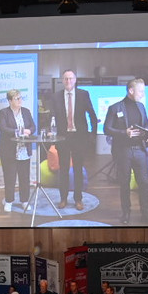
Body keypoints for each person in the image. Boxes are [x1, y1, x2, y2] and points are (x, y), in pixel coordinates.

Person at [104, 78, 148, 225]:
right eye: (141, 91)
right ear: (131, 90)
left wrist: (146, 134)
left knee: (144, 183)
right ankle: (126, 213)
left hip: (139, 150)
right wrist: (124, 132)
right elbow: (106, 129)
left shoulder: (141, 106)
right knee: (124, 183)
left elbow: (146, 123)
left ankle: (146, 215)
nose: (143, 94)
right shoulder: (115, 108)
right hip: (123, 151)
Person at [48, 69, 98, 210]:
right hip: (62, 138)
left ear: (75, 80)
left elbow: (92, 116)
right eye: (65, 79)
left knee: (78, 169)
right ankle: (63, 199)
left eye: (71, 78)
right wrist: (52, 134)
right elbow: (51, 117)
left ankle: (78, 199)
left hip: (79, 138)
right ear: (62, 81)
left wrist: (92, 135)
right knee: (63, 169)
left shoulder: (83, 94)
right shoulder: (56, 96)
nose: (68, 81)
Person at [0, 89, 36, 210]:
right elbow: (3, 128)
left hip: (24, 150)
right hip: (9, 151)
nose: (20, 100)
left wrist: (29, 130)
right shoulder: (4, 112)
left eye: (20, 98)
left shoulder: (26, 111)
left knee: (24, 177)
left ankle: (24, 201)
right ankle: (9, 201)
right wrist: (19, 132)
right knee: (10, 177)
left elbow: (33, 126)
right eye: (16, 98)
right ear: (9, 101)